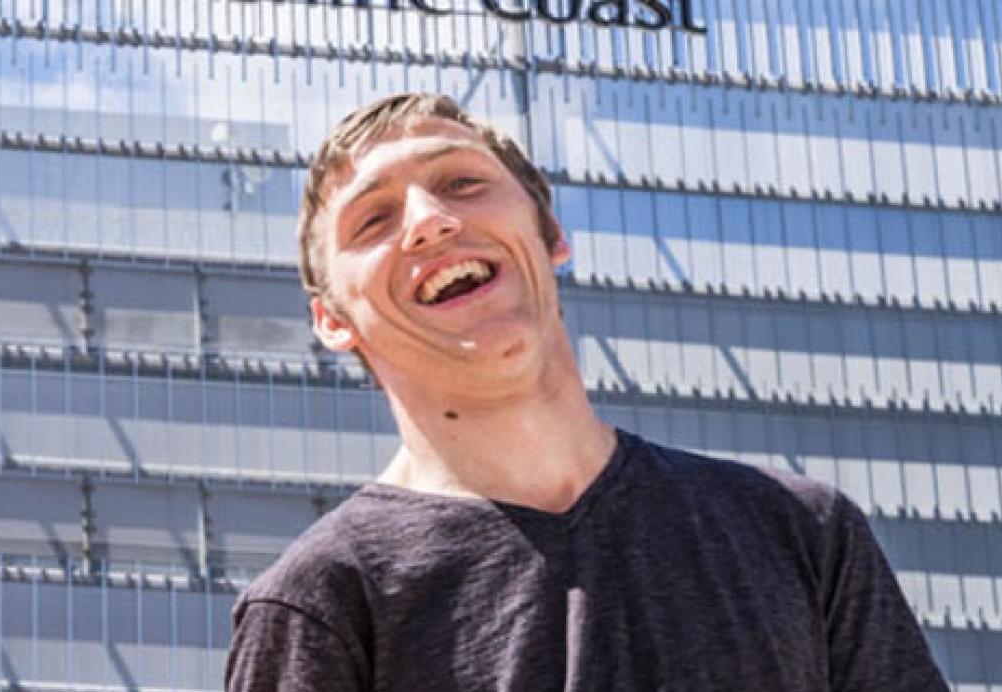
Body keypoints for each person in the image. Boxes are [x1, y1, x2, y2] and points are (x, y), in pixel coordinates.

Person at [224, 93, 950, 692]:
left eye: (462, 184)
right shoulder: (318, 603)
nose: (431, 221)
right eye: (373, 219)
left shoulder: (799, 530)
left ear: (551, 235)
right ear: (332, 320)